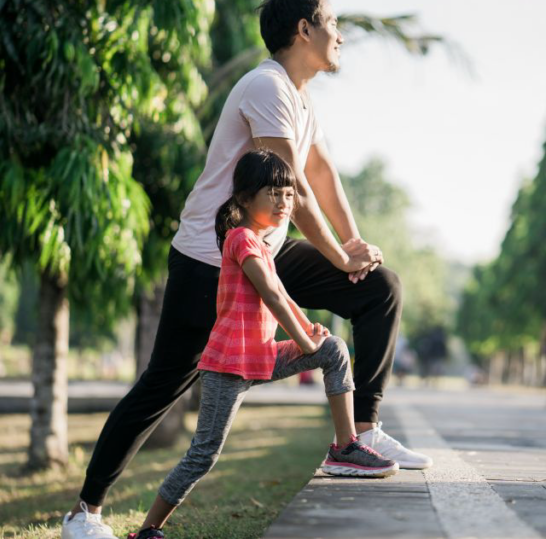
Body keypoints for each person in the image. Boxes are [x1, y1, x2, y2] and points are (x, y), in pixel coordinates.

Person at [62, 0, 430, 539]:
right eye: (332, 22)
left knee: (378, 288)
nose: (341, 35)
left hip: (266, 250)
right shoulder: (265, 86)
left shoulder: (302, 98)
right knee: (164, 383)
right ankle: (84, 514)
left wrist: (356, 251)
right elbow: (295, 188)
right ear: (303, 30)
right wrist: (337, 252)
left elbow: (324, 175)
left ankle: (358, 435)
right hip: (212, 258)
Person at [126, 151, 398, 539]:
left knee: (334, 349)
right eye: (273, 193)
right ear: (243, 198)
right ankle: (148, 530)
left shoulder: (263, 244)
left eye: (289, 194)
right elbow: (270, 293)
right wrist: (303, 341)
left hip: (262, 356)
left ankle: (345, 445)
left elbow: (284, 298)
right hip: (227, 364)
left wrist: (310, 331)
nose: (284, 202)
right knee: (203, 456)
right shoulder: (241, 240)